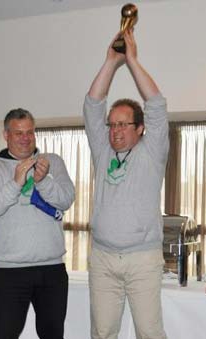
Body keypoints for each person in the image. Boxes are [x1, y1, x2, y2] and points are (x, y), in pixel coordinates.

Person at [83, 30, 168, 339]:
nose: (116, 130)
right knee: (102, 332)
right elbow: (92, 104)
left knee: (149, 332)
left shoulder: (151, 151)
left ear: (141, 128)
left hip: (142, 260)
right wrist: (110, 62)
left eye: (124, 124)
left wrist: (131, 60)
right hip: (103, 258)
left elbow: (156, 103)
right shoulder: (103, 151)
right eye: (113, 124)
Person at [0, 108, 75, 339]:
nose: (25, 138)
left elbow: (67, 199)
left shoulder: (52, 162)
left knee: (53, 335)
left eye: (30, 132)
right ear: (6, 135)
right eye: (19, 133)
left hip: (52, 269)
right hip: (9, 271)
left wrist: (43, 180)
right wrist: (15, 183)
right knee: (4, 334)